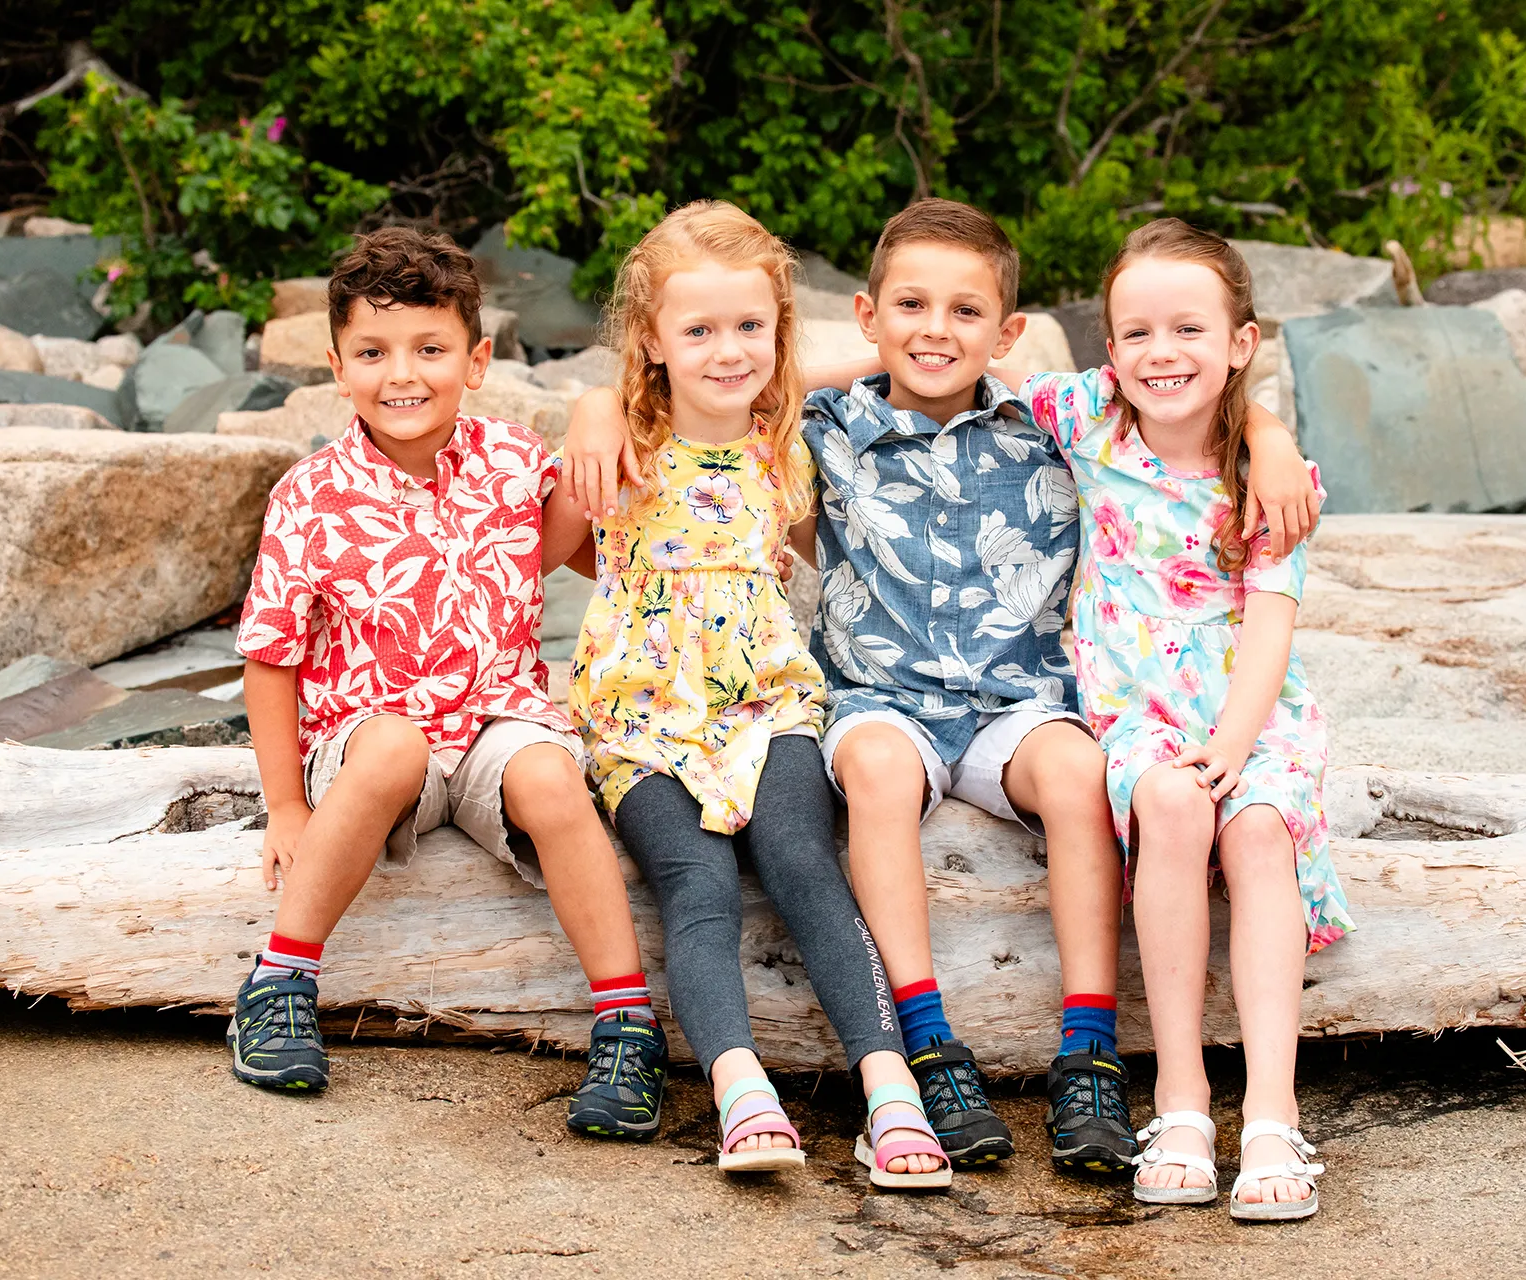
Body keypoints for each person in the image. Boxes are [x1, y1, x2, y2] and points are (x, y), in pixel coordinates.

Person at [563, 198, 1322, 1177]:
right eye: (910, 306)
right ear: (867, 315)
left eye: (967, 312)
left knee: (1084, 771)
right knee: (873, 769)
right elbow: (726, 386)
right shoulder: (822, 422)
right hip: (886, 700)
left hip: (1019, 699)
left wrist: (1263, 428)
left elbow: (1193, 390)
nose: (936, 330)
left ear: (1008, 334)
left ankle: (1087, 1047)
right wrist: (593, 402)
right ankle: (928, 1042)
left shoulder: (1054, 417)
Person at [230, 227, 670, 1149]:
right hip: (366, 732)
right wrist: (281, 805)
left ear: (477, 360)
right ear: (336, 365)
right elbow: (270, 654)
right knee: (393, 747)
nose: (404, 374)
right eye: (374, 352)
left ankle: (628, 1026)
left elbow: (595, 549)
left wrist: (596, 407)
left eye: (430, 350)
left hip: (496, 715)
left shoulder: (513, 463)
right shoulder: (309, 494)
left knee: (552, 776)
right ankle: (280, 980)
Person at [546, 200, 950, 1188]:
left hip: (766, 698)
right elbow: (546, 554)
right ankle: (740, 1085)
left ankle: (889, 1085)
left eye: (750, 326)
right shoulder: (621, 445)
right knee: (699, 886)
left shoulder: (787, 438)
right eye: (698, 330)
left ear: (779, 329)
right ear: (650, 341)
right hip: (643, 716)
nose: (729, 350)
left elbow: (866, 372)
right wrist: (589, 407)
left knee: (806, 859)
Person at [1025, 217, 1354, 1221]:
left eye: (1188, 330)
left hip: (1249, 708)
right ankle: (1179, 1098)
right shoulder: (1087, 419)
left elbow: (1270, 623)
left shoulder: (1267, 476)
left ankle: (1271, 1111)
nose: (1162, 354)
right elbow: (974, 339)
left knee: (1257, 828)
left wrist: (1236, 745)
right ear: (1109, 347)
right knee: (1170, 807)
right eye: (1136, 333)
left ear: (1242, 342)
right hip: (1137, 709)